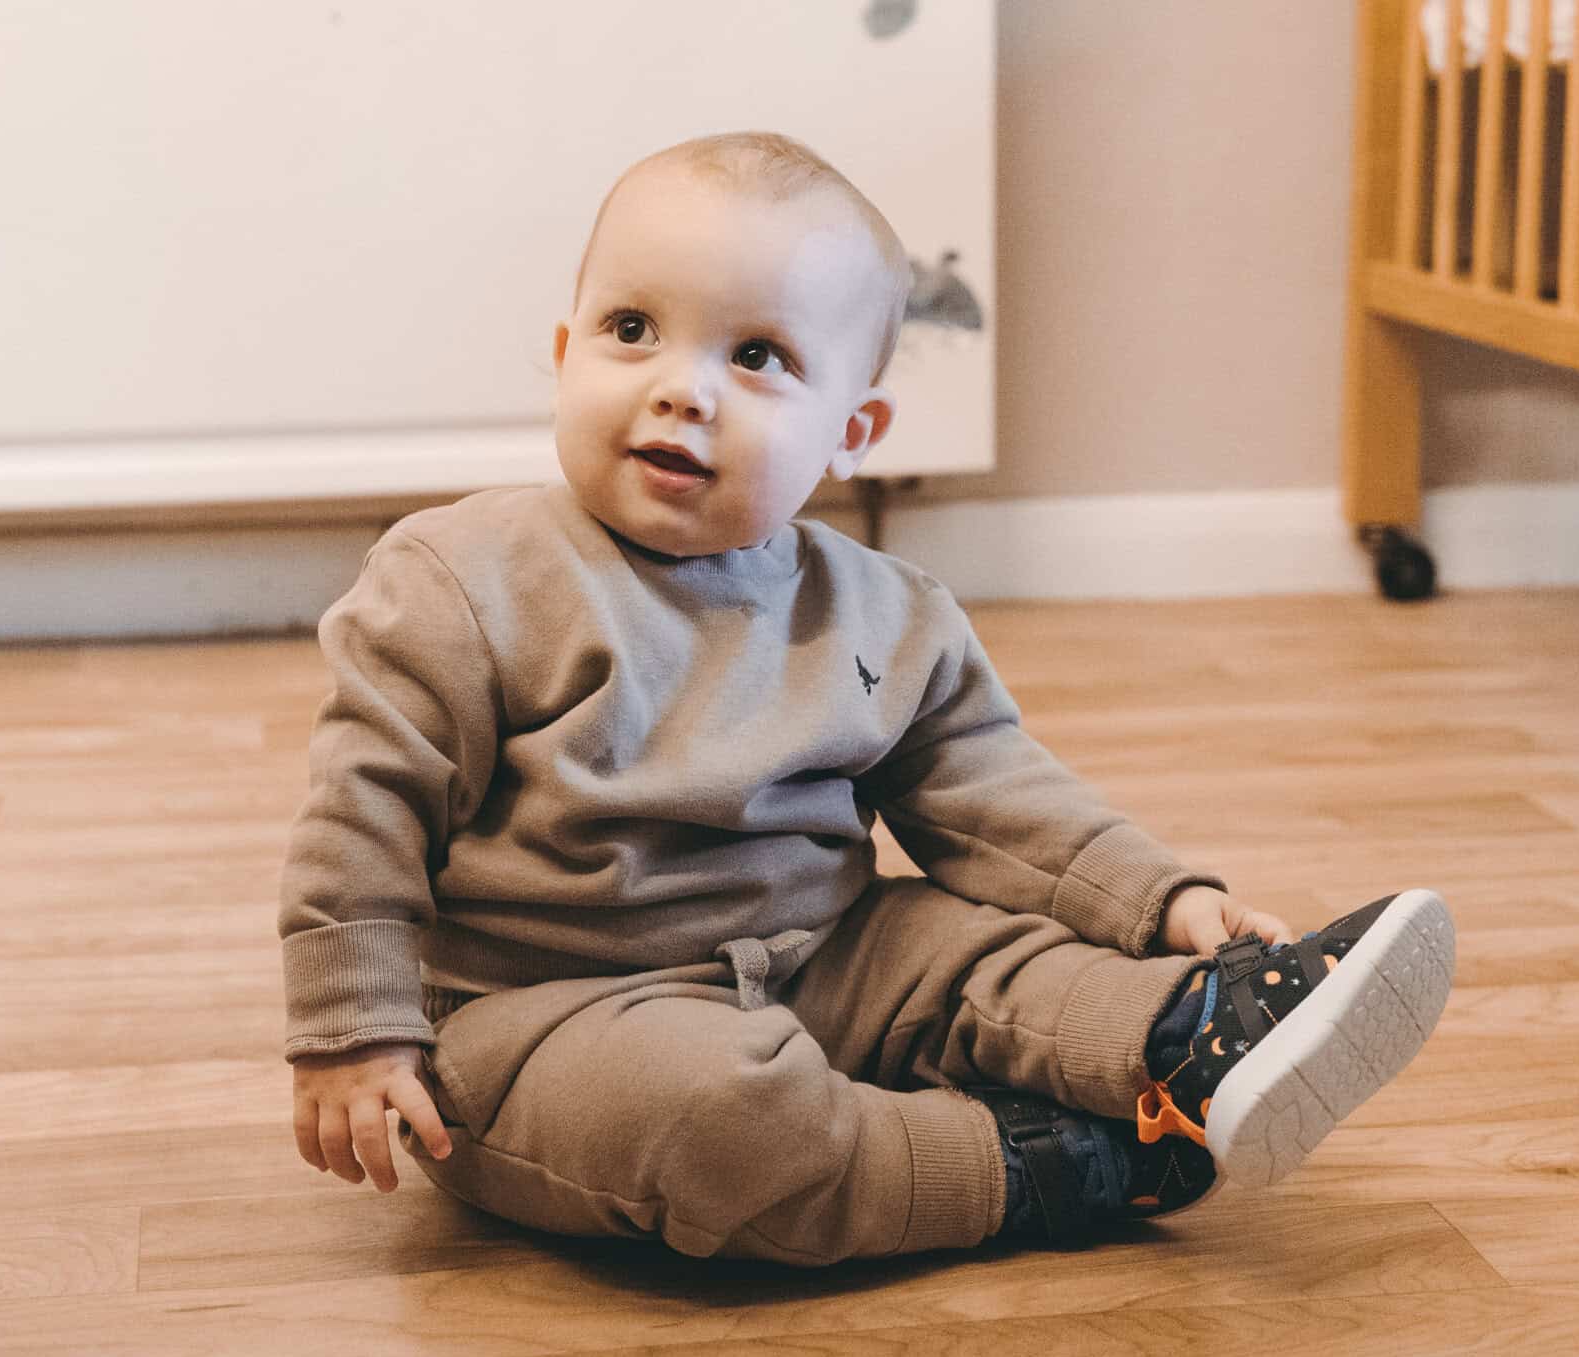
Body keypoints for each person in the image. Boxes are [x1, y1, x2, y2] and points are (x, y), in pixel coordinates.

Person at [279, 131, 1455, 1263]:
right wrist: (352, 1029)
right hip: (546, 1014)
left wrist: (1167, 898)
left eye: (757, 357)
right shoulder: (458, 575)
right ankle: (1025, 1161)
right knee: (721, 1118)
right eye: (630, 330)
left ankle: (1188, 1033)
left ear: (851, 430)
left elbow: (996, 799)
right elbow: (362, 815)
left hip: (822, 948)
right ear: (562, 349)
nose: (682, 388)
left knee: (979, 952)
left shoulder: (885, 611)